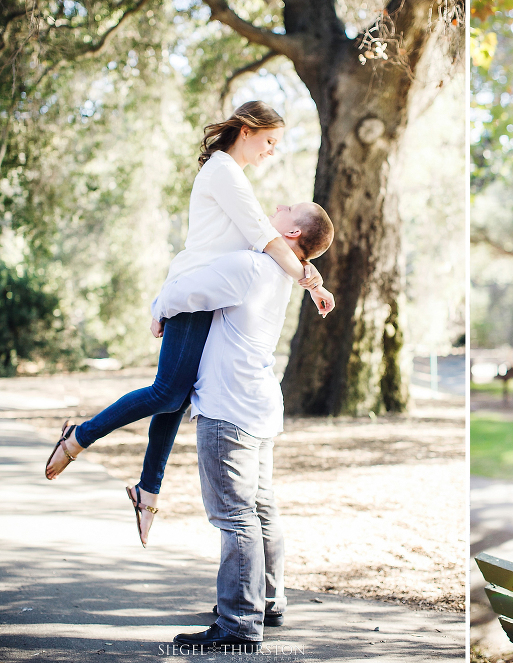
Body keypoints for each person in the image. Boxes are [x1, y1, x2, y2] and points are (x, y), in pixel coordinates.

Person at [43, 101, 334, 547]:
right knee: (167, 392)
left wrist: (306, 274)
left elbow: (269, 242)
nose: (272, 151)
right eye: (270, 140)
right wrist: (312, 283)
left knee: (177, 398)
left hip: (207, 295)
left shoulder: (234, 176)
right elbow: (267, 237)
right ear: (248, 130)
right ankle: (78, 438)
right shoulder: (223, 171)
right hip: (193, 291)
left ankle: (148, 490)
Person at [153, 201, 332, 649]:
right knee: (261, 508)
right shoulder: (282, 274)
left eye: (287, 209)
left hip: (228, 407)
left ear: (292, 233)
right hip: (259, 405)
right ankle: (267, 601)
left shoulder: (251, 265)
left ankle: (237, 625)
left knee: (234, 516)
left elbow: (187, 292)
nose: (276, 207)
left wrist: (158, 306)